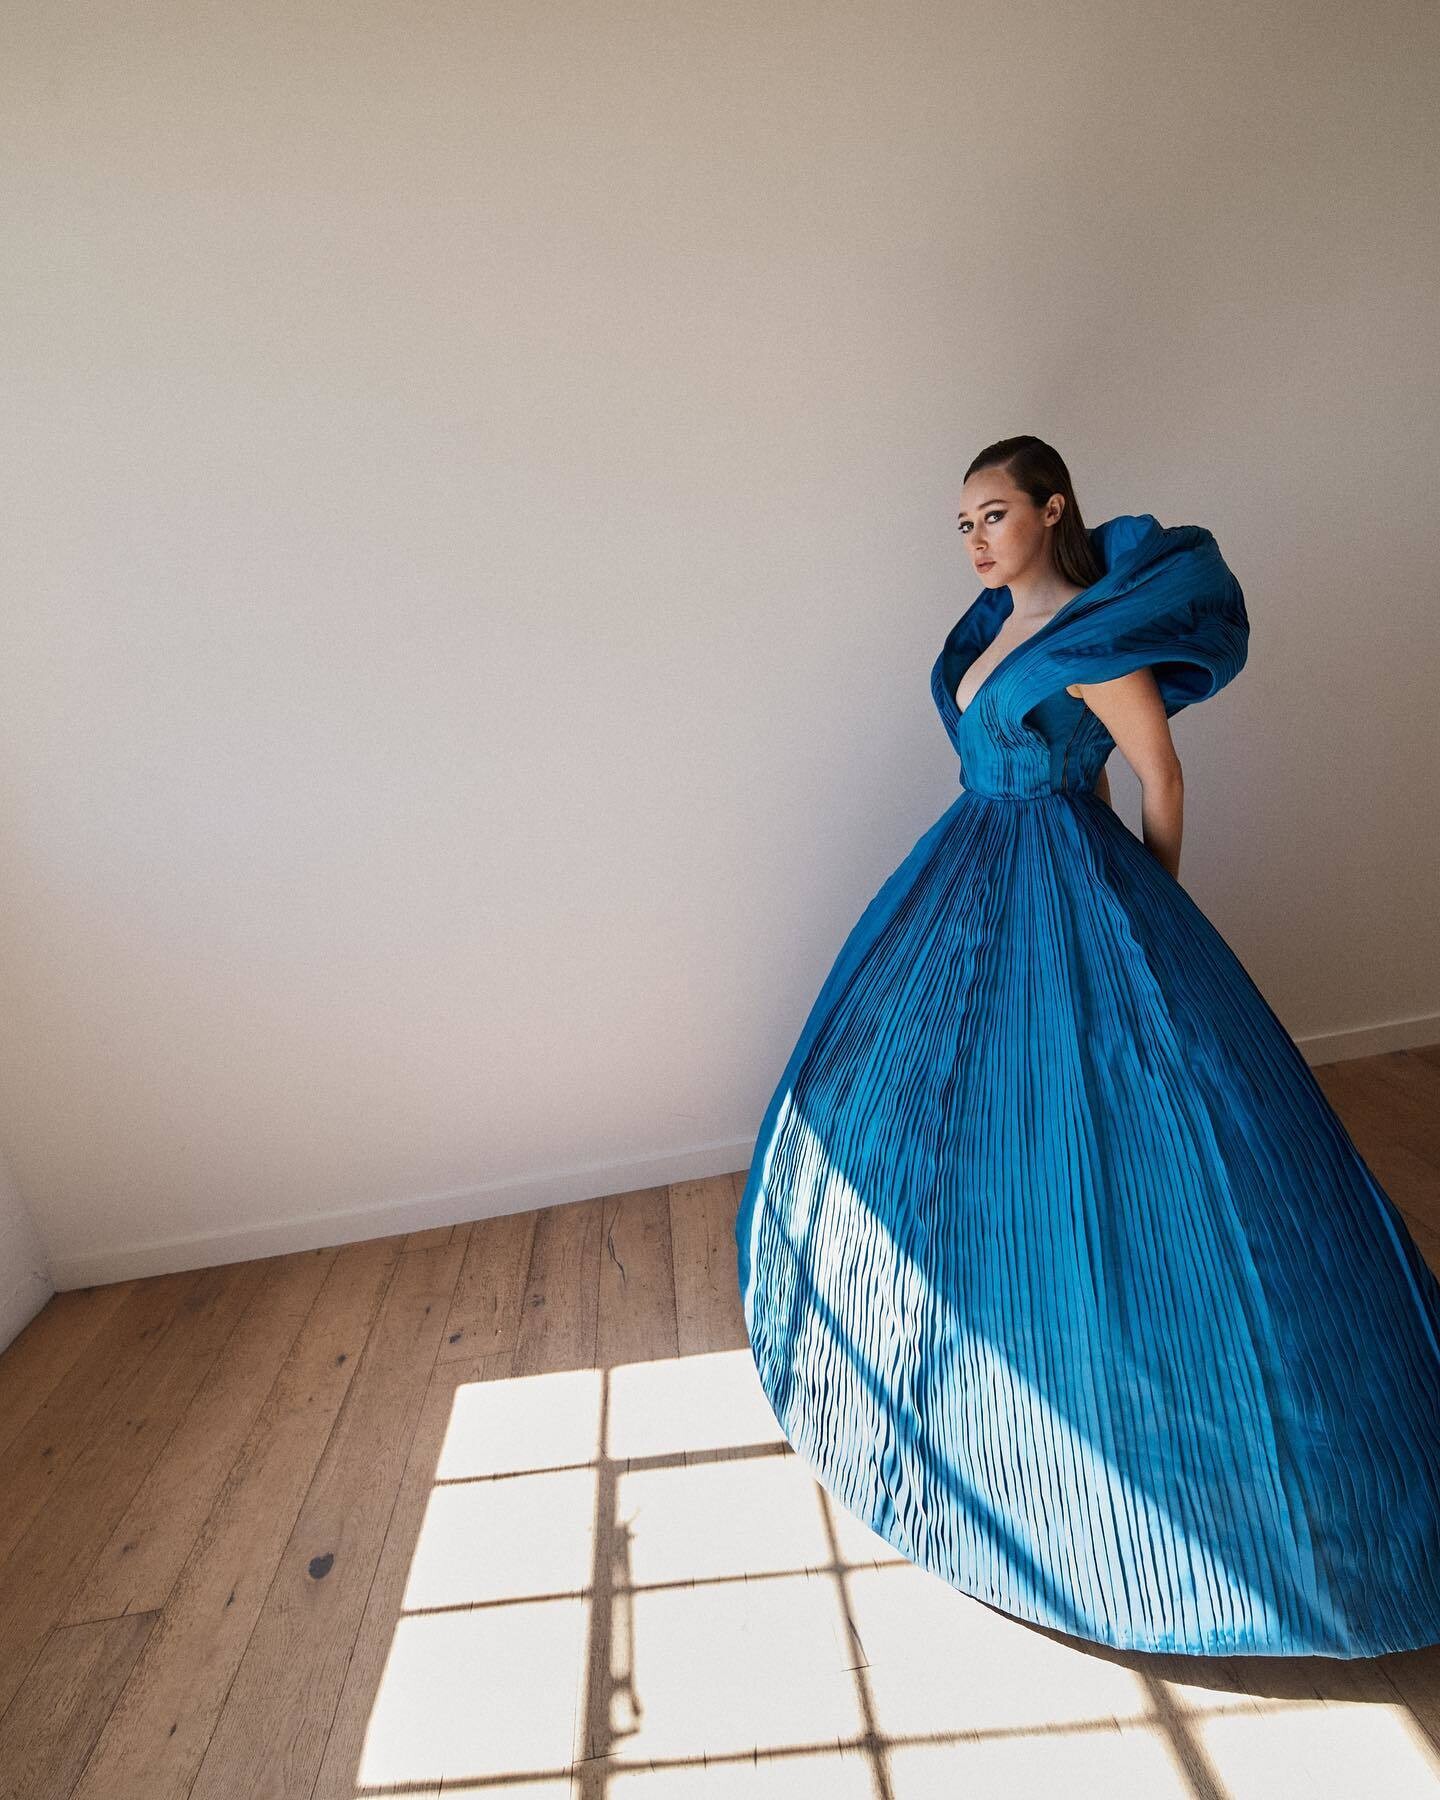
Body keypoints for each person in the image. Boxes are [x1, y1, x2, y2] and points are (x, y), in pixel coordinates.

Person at [733, 434, 1440, 1658]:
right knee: (922, 1105)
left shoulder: (1093, 637)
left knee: (1138, 1142)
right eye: (963, 523)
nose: (975, 539)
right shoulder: (990, 631)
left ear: (1053, 509)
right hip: (973, 865)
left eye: (995, 514)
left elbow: (1159, 777)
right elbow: (1058, 764)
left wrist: (1146, 913)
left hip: (1074, 876)